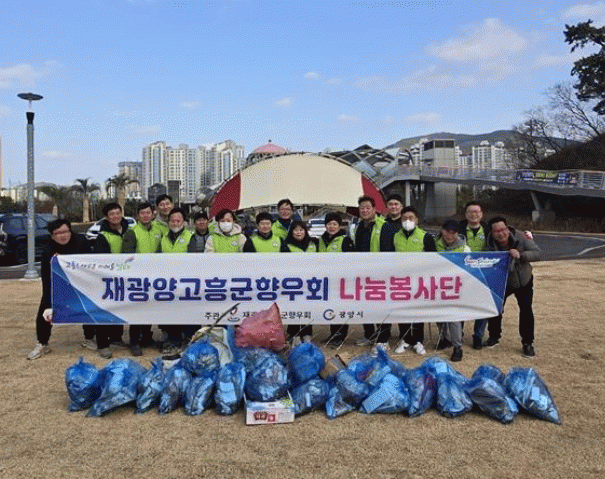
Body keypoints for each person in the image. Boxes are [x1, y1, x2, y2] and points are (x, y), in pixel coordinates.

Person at [27, 219, 91, 360]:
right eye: (58, 233)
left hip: (81, 283)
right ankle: (42, 343)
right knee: (45, 309)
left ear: (70, 231)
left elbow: (92, 263)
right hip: (58, 284)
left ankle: (89, 338)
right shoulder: (48, 251)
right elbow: (46, 277)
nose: (63, 235)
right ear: (52, 235)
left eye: (65, 231)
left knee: (88, 306)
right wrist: (49, 298)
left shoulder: (81, 241)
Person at [381, 206, 436, 356]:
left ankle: (418, 341)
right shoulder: (395, 236)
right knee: (402, 310)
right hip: (401, 281)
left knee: (418, 311)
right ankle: (405, 339)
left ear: (417, 220)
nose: (408, 221)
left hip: (419, 281)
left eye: (411, 218)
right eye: (404, 218)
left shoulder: (425, 237)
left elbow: (434, 260)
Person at [485, 216, 541, 357]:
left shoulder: (521, 237)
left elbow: (537, 253)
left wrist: (521, 255)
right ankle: (494, 336)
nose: (501, 234)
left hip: (523, 280)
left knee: (526, 310)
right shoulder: (488, 244)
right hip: (502, 281)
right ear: (492, 232)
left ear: (508, 228)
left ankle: (527, 342)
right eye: (497, 231)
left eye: (503, 229)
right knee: (496, 308)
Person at [121, 202, 163, 356]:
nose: (145, 216)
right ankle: (134, 341)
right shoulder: (132, 232)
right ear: (137, 215)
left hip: (155, 277)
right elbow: (127, 256)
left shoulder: (158, 230)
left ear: (153, 214)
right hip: (138, 278)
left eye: (148, 212)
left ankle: (147, 337)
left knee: (150, 308)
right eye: (142, 213)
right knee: (137, 310)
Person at [93, 202, 132, 359]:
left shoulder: (130, 230)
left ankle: (116, 337)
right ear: (106, 218)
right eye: (112, 214)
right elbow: (101, 259)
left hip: (126, 277)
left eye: (117, 213)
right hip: (109, 278)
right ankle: (102, 344)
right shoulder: (103, 236)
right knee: (105, 308)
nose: (115, 216)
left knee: (120, 307)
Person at [157, 207, 197, 354]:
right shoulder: (163, 239)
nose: (175, 223)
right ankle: (173, 339)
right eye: (172, 221)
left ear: (184, 222)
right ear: (168, 223)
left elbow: (193, 258)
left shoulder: (190, 236)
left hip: (186, 281)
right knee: (171, 311)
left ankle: (189, 339)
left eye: (178, 221)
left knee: (188, 311)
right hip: (169, 282)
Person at [352, 195, 388, 350]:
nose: (365, 210)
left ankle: (383, 339)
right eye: (362, 208)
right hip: (362, 273)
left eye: (368, 208)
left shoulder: (384, 226)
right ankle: (369, 334)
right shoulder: (358, 227)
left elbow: (388, 250)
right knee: (364, 304)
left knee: (381, 306)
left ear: (374, 209)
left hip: (380, 273)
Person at [434, 219, 470, 362]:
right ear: (441, 230)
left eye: (453, 233)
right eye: (447, 232)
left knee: (453, 317)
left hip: (455, 287)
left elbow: (469, 269)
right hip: (437, 285)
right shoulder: (435, 244)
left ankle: (457, 346)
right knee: (438, 315)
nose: (449, 235)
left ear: (457, 233)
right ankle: (445, 338)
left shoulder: (464, 249)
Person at [318, 211, 355, 347]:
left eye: (334, 224)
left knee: (341, 308)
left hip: (341, 281)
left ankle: (341, 335)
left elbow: (351, 260)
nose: (332, 227)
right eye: (329, 224)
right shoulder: (321, 240)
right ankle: (333, 333)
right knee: (331, 308)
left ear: (339, 226)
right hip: (327, 280)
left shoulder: (345, 240)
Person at [458, 201, 491, 349]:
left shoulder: (489, 229)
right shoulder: (458, 229)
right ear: (466, 214)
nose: (474, 214)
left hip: (484, 272)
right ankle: (458, 333)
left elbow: (507, 233)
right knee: (461, 303)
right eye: (470, 212)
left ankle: (478, 335)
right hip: (463, 272)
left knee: (483, 304)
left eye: (477, 212)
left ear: (482, 214)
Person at [282, 220, 318, 344]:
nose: (299, 232)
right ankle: (294, 334)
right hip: (293, 282)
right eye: (296, 230)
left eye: (301, 230)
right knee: (294, 307)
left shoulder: (313, 243)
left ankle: (307, 333)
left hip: (310, 282)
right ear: (291, 232)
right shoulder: (286, 245)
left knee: (307, 307)